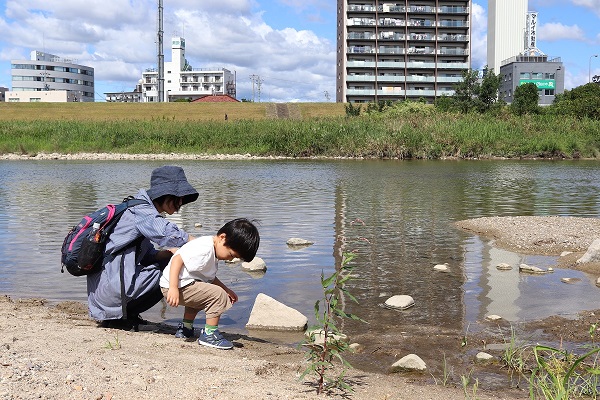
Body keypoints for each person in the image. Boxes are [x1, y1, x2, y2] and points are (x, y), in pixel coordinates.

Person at [87, 165, 199, 331]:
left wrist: (167, 254)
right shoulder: (142, 212)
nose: (181, 203)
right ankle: (120, 317)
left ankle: (126, 315)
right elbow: (168, 233)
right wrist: (203, 245)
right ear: (166, 194)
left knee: (169, 260)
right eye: (178, 198)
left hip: (105, 292)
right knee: (170, 272)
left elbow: (145, 256)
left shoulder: (139, 208)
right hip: (111, 292)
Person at [160, 218, 260, 349]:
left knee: (203, 293)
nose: (230, 259)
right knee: (217, 295)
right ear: (222, 238)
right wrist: (173, 287)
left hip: (181, 285)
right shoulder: (204, 249)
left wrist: (227, 289)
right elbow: (177, 260)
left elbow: (209, 278)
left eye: (235, 258)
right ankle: (209, 334)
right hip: (174, 286)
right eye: (231, 254)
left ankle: (186, 328)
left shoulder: (212, 249)